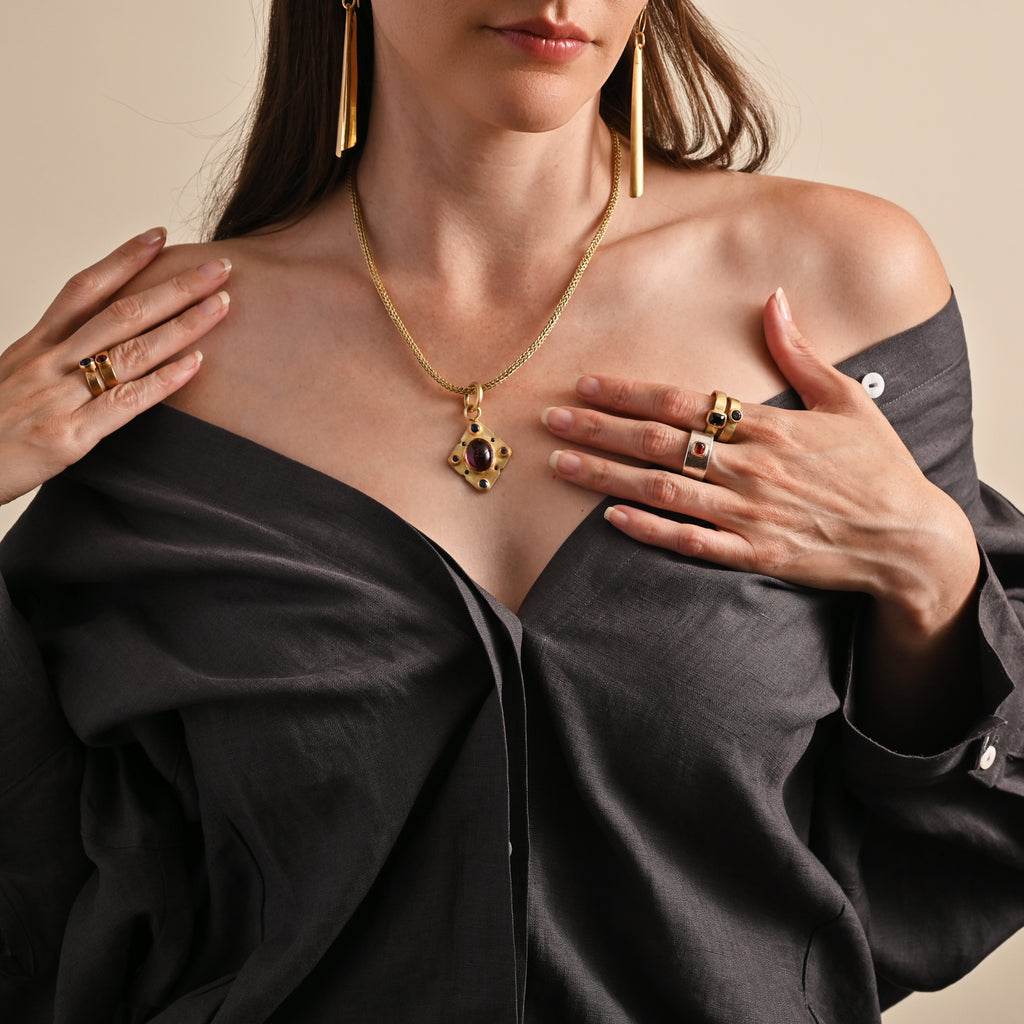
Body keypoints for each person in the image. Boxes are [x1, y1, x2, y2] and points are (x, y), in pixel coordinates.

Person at [1, 1, 1022, 1021]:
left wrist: (934, 567)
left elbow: (934, 847)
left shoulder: (840, 292)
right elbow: (50, 878)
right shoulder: (154, 360)